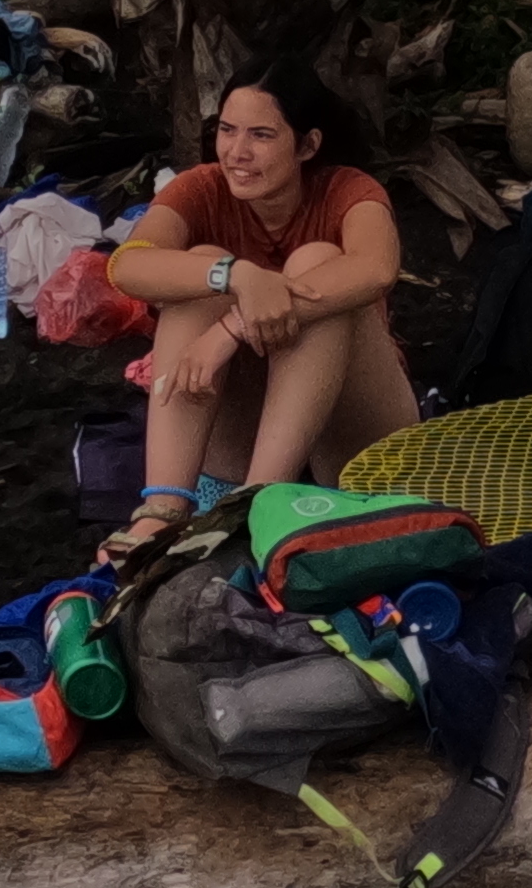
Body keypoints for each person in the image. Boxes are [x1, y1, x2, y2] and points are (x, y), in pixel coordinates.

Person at [102, 58, 416, 563]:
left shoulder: (347, 191)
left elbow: (376, 269)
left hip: (351, 440)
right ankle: (162, 509)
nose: (237, 153)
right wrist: (237, 276)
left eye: (262, 135)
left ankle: (257, 505)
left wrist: (233, 325)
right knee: (202, 268)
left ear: (308, 145)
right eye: (227, 131)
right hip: (239, 440)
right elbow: (127, 267)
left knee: (318, 262)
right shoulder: (201, 188)